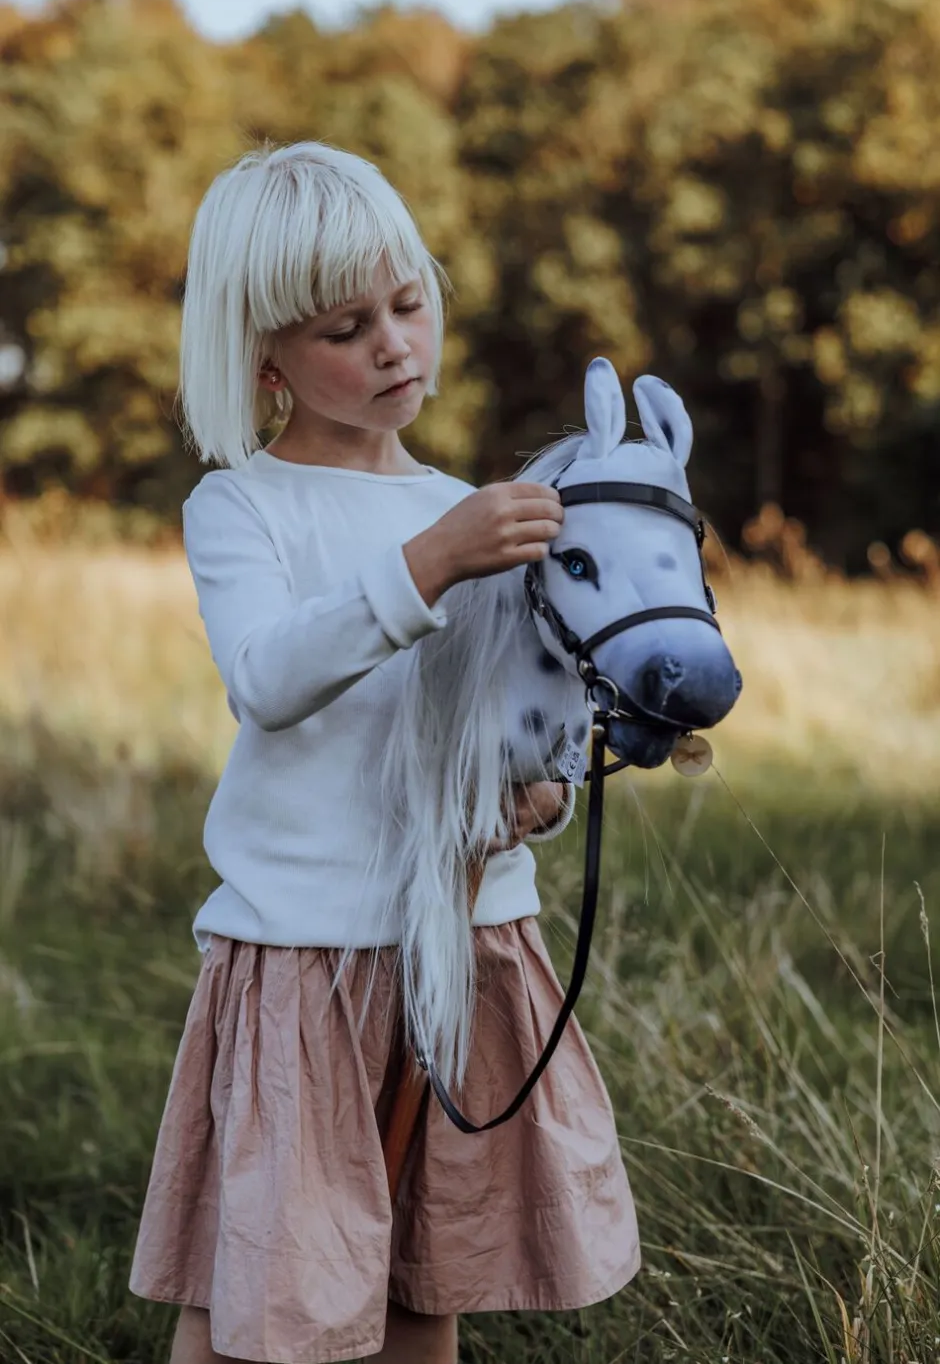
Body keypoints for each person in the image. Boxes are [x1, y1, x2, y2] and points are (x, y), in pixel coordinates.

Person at [128, 141, 640, 1364]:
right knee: (261, 1287)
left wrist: (541, 793)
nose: (395, 345)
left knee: (426, 1271)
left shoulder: (473, 508)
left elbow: (528, 727)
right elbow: (268, 678)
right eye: (346, 329)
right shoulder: (244, 507)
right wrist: (433, 561)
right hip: (307, 952)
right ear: (265, 360)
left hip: (463, 944)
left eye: (408, 304)